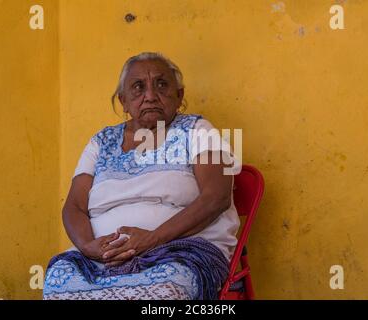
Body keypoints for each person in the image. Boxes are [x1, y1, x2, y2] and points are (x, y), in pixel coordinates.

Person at [43, 52, 240, 300]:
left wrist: (152, 239)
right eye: (138, 87)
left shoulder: (196, 130)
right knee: (57, 281)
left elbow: (216, 197)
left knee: (162, 292)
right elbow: (74, 206)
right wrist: (87, 246)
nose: (150, 96)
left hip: (177, 252)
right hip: (100, 259)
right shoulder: (101, 142)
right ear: (123, 101)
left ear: (179, 96)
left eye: (162, 85)